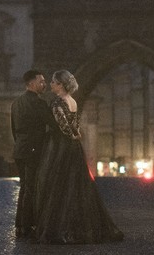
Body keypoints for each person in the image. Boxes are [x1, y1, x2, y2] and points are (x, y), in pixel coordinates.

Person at [33, 69, 123, 244]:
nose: (50, 84)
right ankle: (81, 226)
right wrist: (76, 135)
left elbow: (63, 127)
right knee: (76, 186)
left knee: (58, 185)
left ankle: (61, 228)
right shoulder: (73, 101)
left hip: (60, 147)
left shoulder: (57, 102)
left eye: (53, 81)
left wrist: (72, 134)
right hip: (74, 148)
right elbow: (74, 125)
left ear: (60, 85)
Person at [11, 69, 53, 238]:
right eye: (41, 81)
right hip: (33, 150)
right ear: (31, 84)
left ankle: (20, 224)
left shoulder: (16, 103)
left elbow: (14, 129)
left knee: (24, 187)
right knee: (31, 188)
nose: (44, 84)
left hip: (20, 149)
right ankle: (27, 225)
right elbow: (52, 124)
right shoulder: (39, 104)